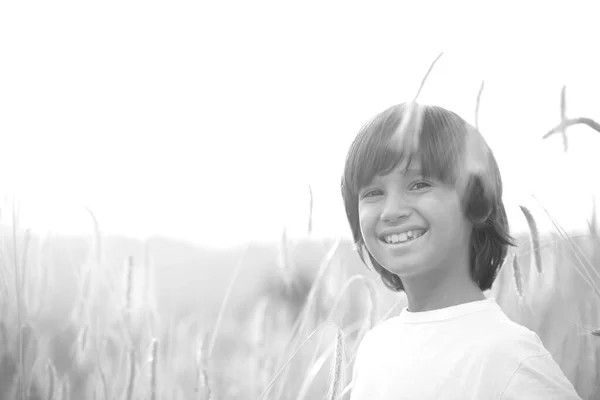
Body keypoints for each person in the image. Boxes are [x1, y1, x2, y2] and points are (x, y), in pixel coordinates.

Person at [340, 103, 582, 399]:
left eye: (418, 184)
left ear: (476, 201)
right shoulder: (373, 349)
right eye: (373, 193)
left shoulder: (510, 357)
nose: (391, 211)